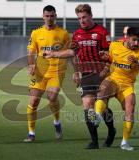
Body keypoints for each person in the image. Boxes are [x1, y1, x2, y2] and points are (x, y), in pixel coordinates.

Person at [44, 4, 116, 149]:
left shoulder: (101, 31)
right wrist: (55, 55)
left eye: (84, 17)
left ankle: (111, 130)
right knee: (87, 106)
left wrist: (107, 68)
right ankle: (94, 142)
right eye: (79, 18)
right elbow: (73, 53)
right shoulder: (77, 34)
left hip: (102, 73)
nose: (81, 20)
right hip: (87, 74)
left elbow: (110, 53)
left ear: (90, 16)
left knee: (101, 107)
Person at [92, 27, 139, 151]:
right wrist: (105, 57)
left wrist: (138, 62)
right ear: (127, 37)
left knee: (130, 109)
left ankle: (125, 142)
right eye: (134, 40)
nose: (136, 43)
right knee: (103, 90)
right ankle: (97, 116)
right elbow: (110, 58)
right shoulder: (114, 45)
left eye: (138, 40)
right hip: (113, 79)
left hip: (127, 85)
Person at [24, 5, 70, 142]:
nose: (49, 18)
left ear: (55, 16)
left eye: (52, 16)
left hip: (56, 71)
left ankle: (56, 122)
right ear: (43, 16)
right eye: (47, 16)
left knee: (52, 97)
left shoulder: (63, 33)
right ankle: (31, 134)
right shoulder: (36, 33)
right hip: (40, 72)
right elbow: (31, 51)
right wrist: (31, 64)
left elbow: (71, 52)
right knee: (33, 101)